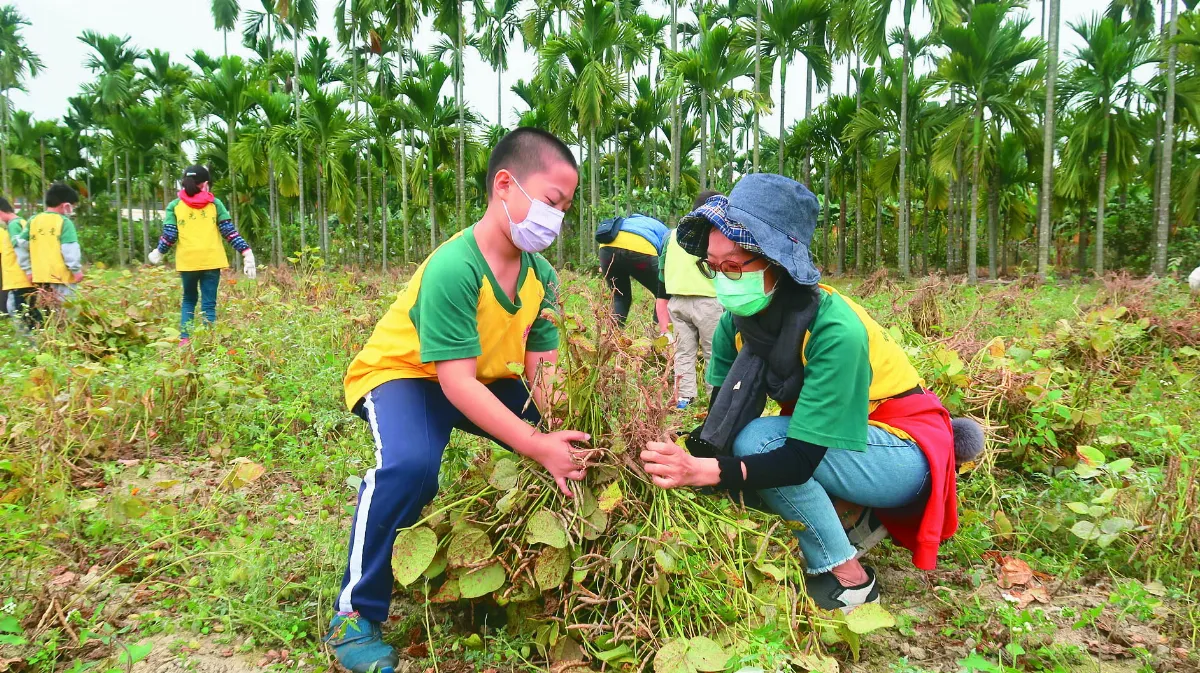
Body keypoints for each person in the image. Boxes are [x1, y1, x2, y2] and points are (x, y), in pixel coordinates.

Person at [639, 174, 976, 613]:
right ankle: (853, 510)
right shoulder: (734, 324)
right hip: (839, 443)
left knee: (760, 444)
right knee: (741, 454)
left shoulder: (835, 328)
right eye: (713, 267)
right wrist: (681, 455)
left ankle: (849, 576)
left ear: (776, 261)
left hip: (903, 450)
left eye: (735, 266)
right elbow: (723, 420)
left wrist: (703, 472)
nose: (723, 280)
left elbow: (797, 457)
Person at [329, 128, 590, 673]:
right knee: (412, 468)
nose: (557, 219)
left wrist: (557, 430)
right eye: (550, 201)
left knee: (567, 439)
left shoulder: (542, 277)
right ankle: (354, 613)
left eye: (564, 208)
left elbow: (545, 373)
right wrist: (536, 443)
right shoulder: (455, 267)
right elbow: (455, 385)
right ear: (505, 184)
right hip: (407, 376)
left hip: (480, 377)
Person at [147, 165, 256, 345]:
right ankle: (207, 342)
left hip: (187, 261)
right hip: (211, 261)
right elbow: (229, 232)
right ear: (205, 184)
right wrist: (246, 251)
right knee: (208, 304)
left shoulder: (174, 206)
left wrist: (159, 251)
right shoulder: (215, 204)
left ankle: (185, 340)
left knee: (189, 299)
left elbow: (170, 235)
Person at [659, 190, 725, 410]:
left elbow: (661, 269)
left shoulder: (671, 235)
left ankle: (684, 398)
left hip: (676, 301)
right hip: (708, 301)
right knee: (713, 351)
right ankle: (715, 398)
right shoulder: (715, 233)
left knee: (683, 351)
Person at [13, 183, 83, 327]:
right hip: (62, 277)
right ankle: (66, 341)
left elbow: (21, 245)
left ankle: (51, 341)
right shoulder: (64, 222)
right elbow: (69, 249)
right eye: (72, 206)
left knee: (49, 314)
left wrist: (28, 270)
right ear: (66, 205)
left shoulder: (34, 220)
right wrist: (76, 270)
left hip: (41, 277)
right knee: (67, 315)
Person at [599, 212, 670, 331]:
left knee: (619, 296)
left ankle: (611, 340)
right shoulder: (659, 226)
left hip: (606, 250)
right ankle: (659, 340)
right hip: (642, 250)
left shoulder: (626, 221)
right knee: (663, 295)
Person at [0, 196, 34, 325]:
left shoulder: (14, 225)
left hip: (18, 279)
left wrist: (28, 271)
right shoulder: (21, 222)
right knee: (27, 314)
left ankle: (28, 343)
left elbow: (20, 249)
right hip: (21, 279)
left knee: (18, 315)